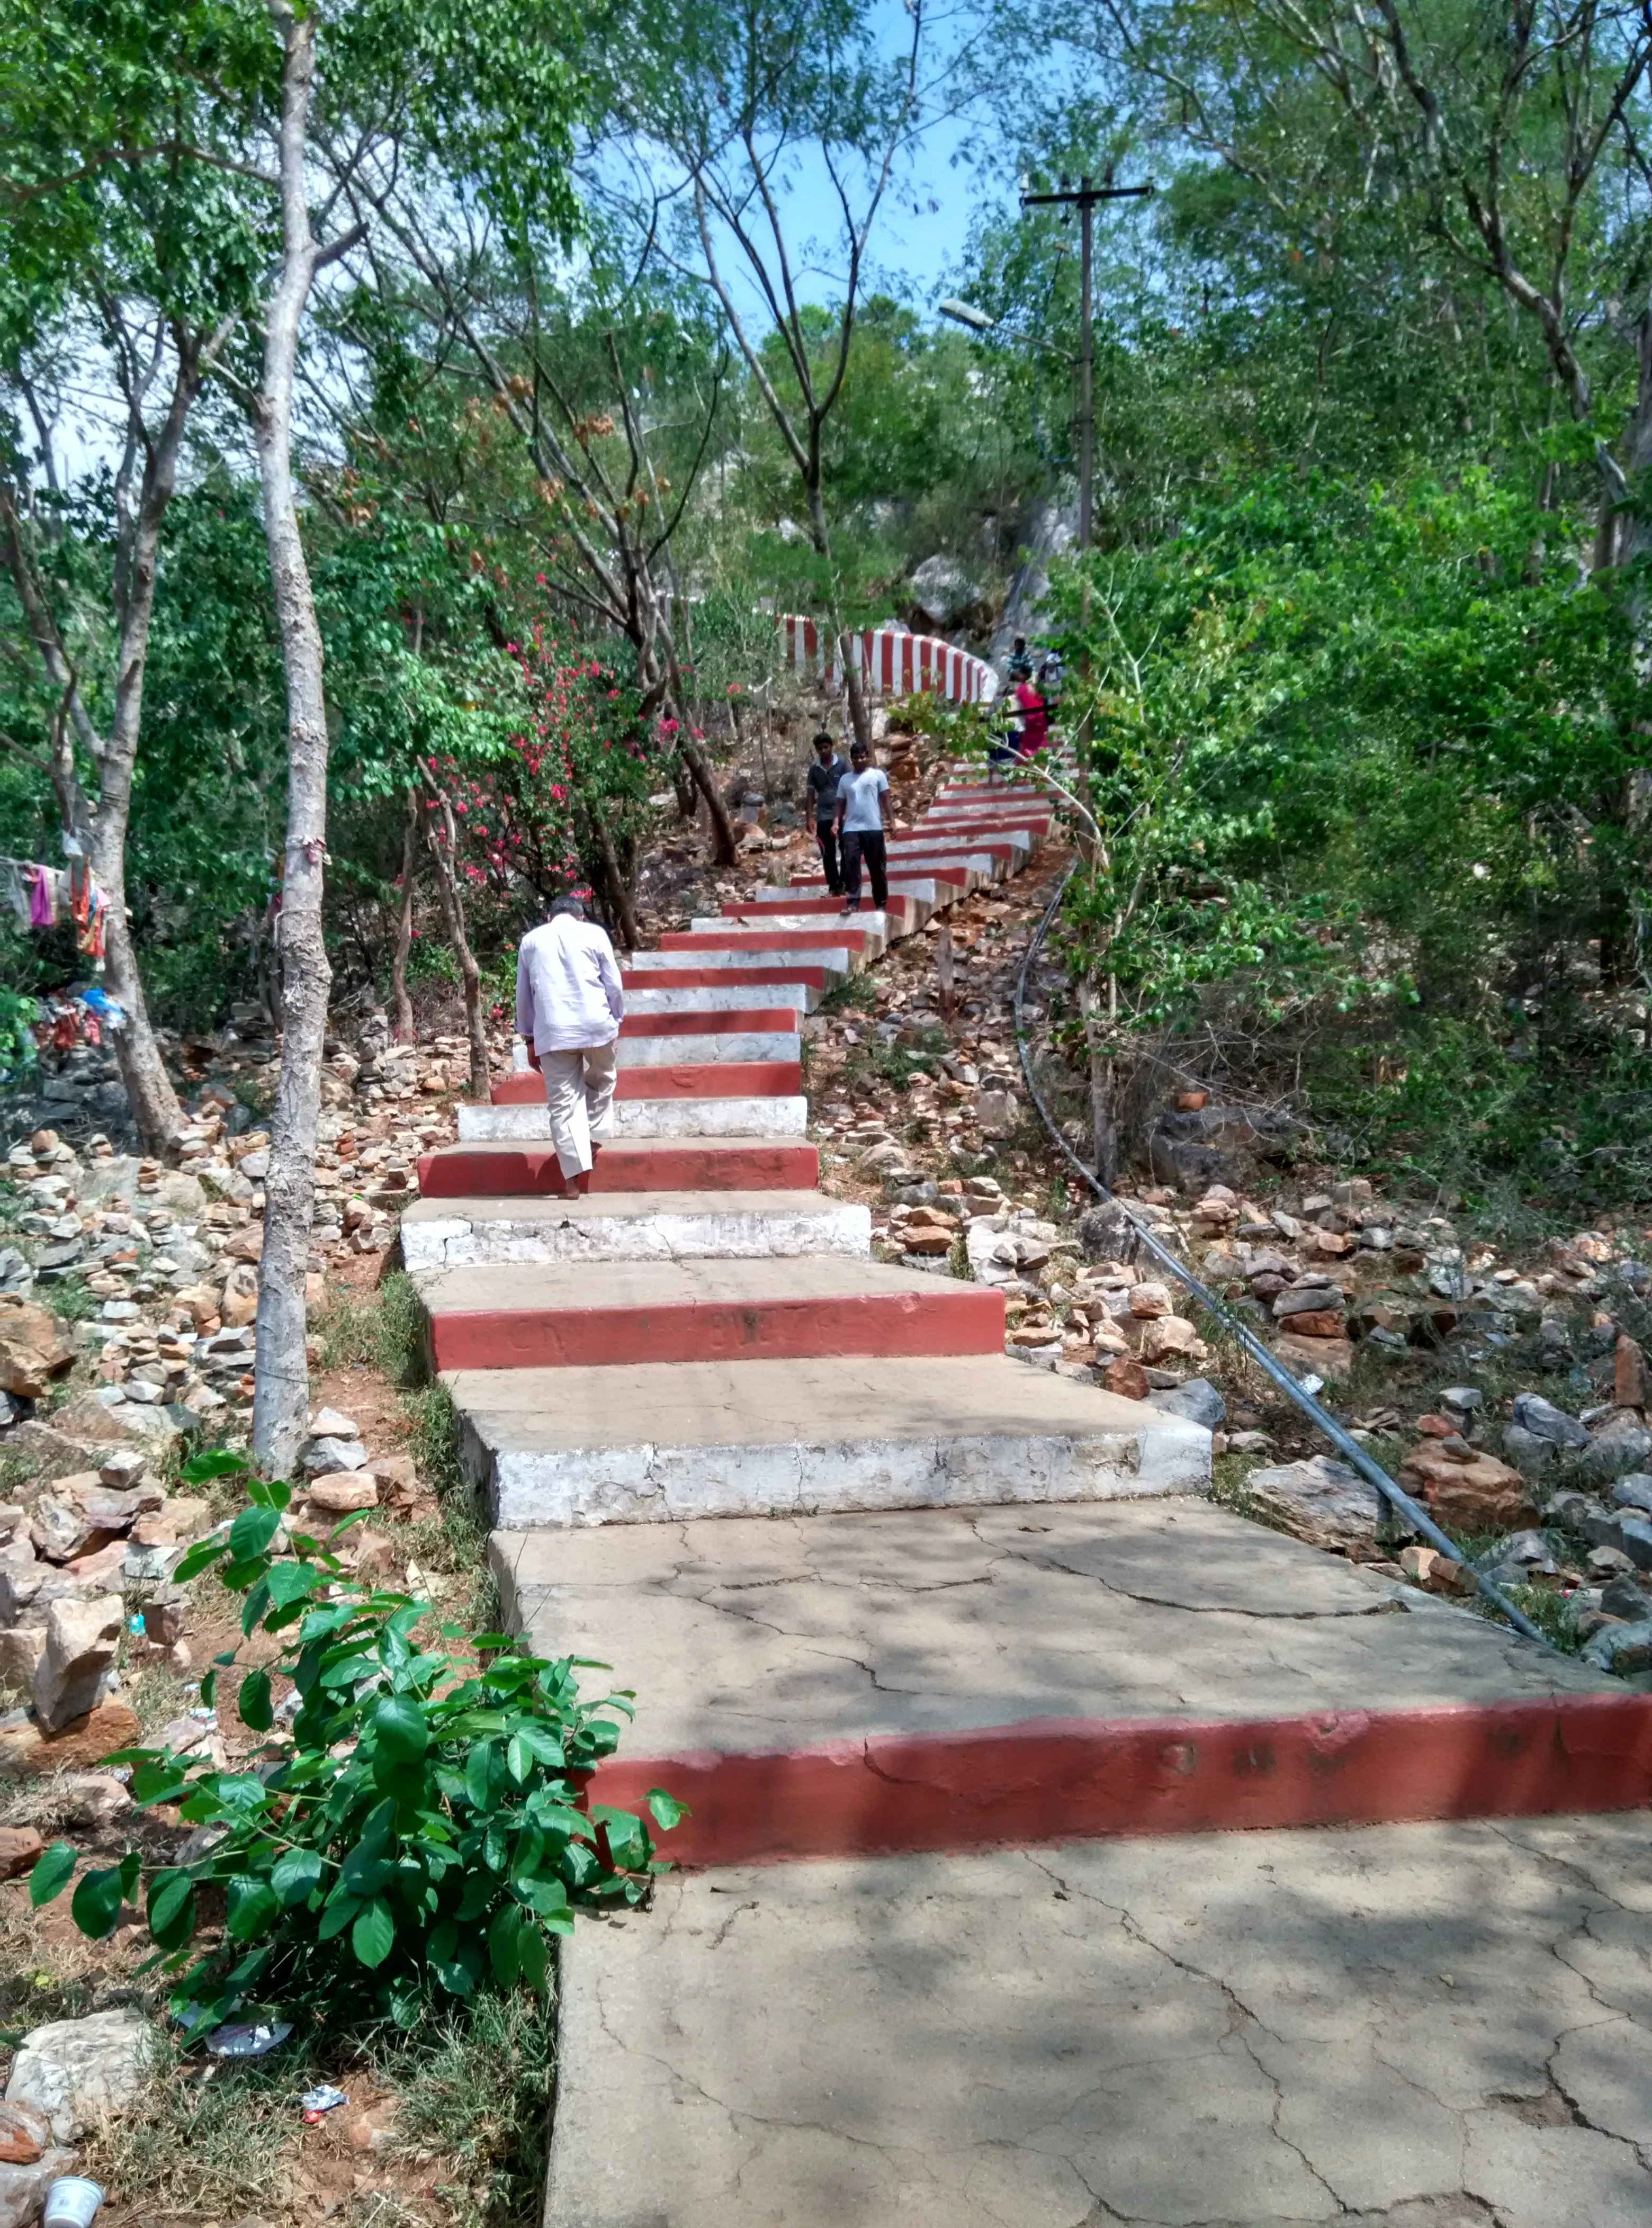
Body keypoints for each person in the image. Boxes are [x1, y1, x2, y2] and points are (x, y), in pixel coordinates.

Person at [515, 892, 624, 1196]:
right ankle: (593, 1133)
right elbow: (613, 984)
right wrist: (617, 1021)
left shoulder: (531, 941)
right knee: (603, 1078)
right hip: (596, 1026)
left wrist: (530, 1039)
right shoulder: (595, 933)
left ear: (550, 917)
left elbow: (524, 997)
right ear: (581, 916)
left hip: (553, 1030)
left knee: (563, 1105)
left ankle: (572, 1181)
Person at [833, 739, 890, 914]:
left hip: (873, 828)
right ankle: (853, 902)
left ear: (868, 757)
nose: (859, 761)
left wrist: (892, 822)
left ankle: (880, 903)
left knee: (877, 867)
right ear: (851, 759)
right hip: (852, 829)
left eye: (862, 757)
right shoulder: (845, 780)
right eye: (855, 758)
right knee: (851, 865)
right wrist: (836, 822)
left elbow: (886, 799)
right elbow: (840, 803)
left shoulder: (878, 775)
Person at [805, 731, 848, 895]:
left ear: (832, 746)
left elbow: (851, 787)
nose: (824, 751)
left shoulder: (843, 765)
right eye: (820, 748)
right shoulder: (814, 770)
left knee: (846, 848)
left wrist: (850, 811)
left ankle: (845, 882)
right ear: (817, 750)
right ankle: (833, 885)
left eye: (826, 747)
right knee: (827, 852)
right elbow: (810, 796)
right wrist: (809, 818)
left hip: (843, 813)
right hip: (823, 815)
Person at [1013, 670, 1050, 759]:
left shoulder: (1020, 690)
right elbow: (1043, 699)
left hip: (1029, 719)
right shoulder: (1035, 688)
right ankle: (1041, 762)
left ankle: (1028, 762)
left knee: (1028, 746)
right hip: (1041, 717)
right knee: (1041, 742)